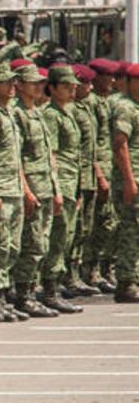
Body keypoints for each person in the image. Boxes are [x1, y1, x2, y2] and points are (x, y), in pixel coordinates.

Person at [11, 64, 63, 317]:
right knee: (30, 245)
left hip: (45, 186)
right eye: (32, 82)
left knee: (41, 243)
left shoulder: (38, 112)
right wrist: (26, 190)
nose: (38, 86)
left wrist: (56, 189)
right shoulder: (17, 113)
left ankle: (31, 290)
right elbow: (16, 157)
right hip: (31, 185)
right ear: (19, 84)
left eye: (40, 82)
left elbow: (49, 154)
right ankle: (23, 295)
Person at [0, 63, 29, 323]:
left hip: (15, 187)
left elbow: (15, 156)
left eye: (14, 82)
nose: (13, 87)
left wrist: (24, 188)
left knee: (12, 245)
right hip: (1, 186)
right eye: (6, 82)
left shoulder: (8, 112)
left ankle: (4, 293)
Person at [38, 66, 84, 314]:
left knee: (66, 236)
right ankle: (49, 289)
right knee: (56, 238)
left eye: (73, 86)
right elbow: (52, 155)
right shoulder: (51, 115)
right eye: (66, 86)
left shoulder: (67, 113)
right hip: (61, 182)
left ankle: (54, 285)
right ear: (53, 88)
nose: (72, 90)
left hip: (71, 181)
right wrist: (56, 188)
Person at [65, 64, 102, 298]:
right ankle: (65, 278)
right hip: (69, 179)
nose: (85, 88)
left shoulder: (81, 109)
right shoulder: (67, 112)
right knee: (68, 231)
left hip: (83, 177)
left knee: (82, 229)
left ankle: (75, 274)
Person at [84, 58, 120, 292]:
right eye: (107, 76)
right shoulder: (91, 104)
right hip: (98, 170)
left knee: (111, 222)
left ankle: (106, 266)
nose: (112, 80)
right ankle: (90, 269)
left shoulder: (111, 102)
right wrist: (99, 174)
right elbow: (92, 144)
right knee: (94, 224)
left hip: (112, 167)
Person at [112, 63, 139, 303]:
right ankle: (126, 282)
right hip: (132, 180)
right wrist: (129, 182)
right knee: (130, 230)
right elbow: (120, 145)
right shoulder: (125, 108)